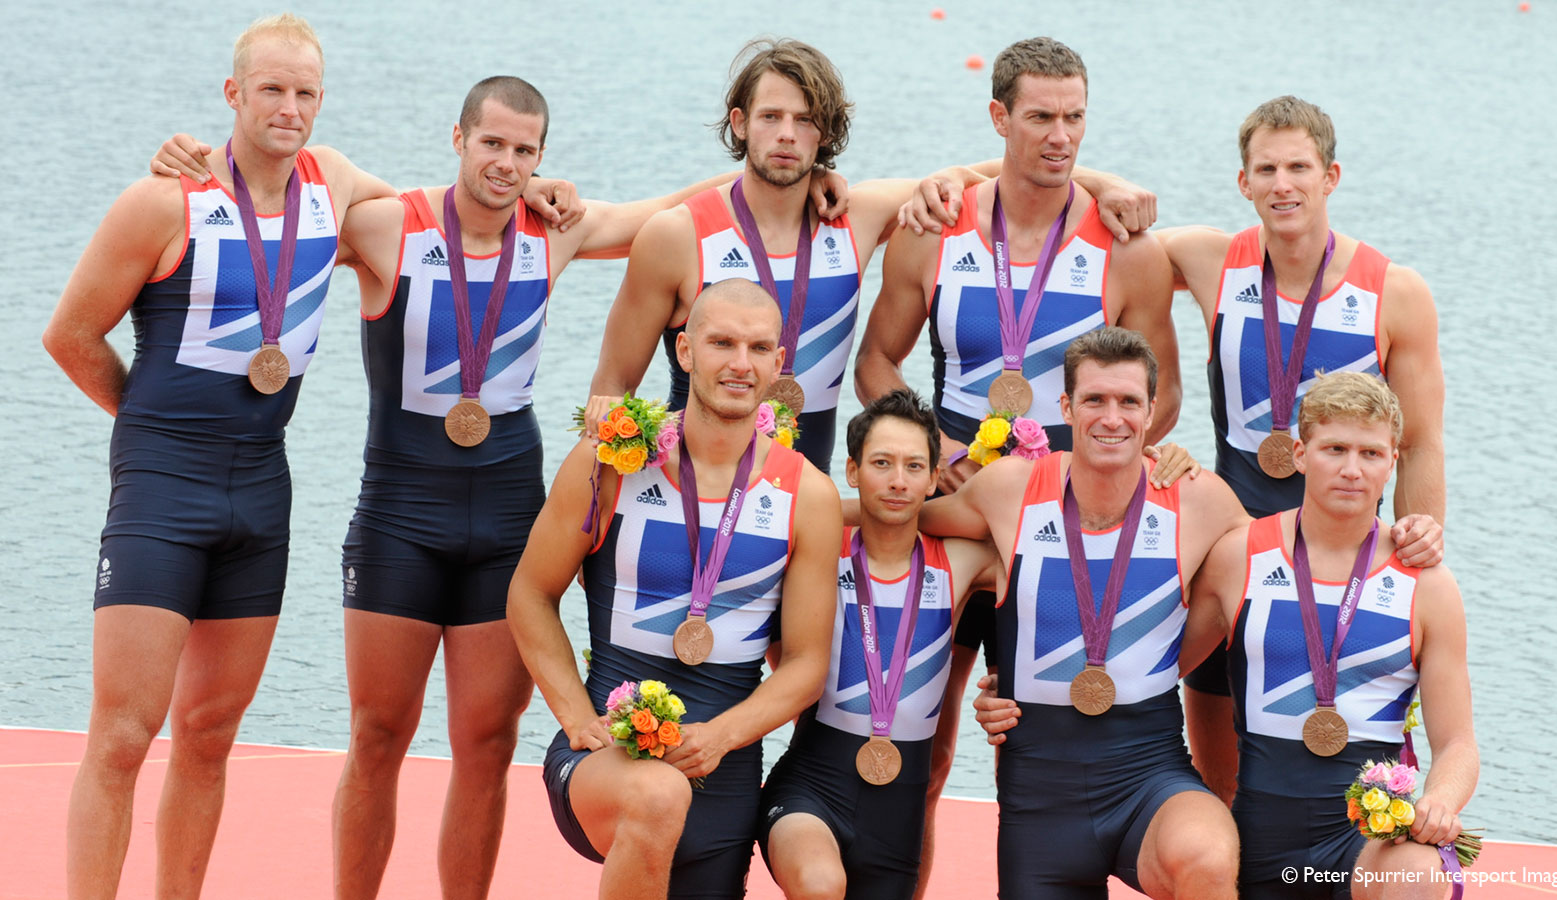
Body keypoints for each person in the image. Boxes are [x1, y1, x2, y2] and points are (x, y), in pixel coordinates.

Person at [146, 75, 782, 898]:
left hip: (507, 517)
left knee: (485, 744)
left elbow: (671, 210)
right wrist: (187, 163)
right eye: (492, 144)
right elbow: (275, 201)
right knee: (378, 736)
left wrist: (781, 181)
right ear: (458, 138)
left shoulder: (552, 234)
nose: (507, 164)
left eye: (525, 151)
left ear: (542, 158)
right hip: (398, 520)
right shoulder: (384, 228)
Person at [39, 15, 395, 900]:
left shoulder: (337, 186)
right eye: (271, 89)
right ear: (233, 94)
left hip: (260, 491)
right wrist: (151, 428)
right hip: (162, 490)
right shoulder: (165, 200)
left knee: (207, 734)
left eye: (306, 92)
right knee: (123, 735)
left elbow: (449, 220)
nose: (290, 108)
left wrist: (546, 193)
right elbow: (72, 335)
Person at [853, 39, 1179, 894]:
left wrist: (1097, 479)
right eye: (1040, 117)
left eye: (1075, 118)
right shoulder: (934, 229)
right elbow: (877, 364)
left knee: (1031, 755)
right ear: (998, 118)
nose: (1060, 136)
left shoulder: (1126, 248)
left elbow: (1165, 396)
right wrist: (939, 455)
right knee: (917, 745)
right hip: (957, 507)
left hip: (1064, 529)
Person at [585, 37, 1156, 473]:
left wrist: (1103, 183)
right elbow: (611, 387)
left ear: (825, 132)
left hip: (802, 487)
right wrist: (597, 504)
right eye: (771, 117)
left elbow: (1016, 169)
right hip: (688, 476)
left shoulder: (861, 215)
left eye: (805, 120)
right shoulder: (676, 236)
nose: (787, 135)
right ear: (740, 123)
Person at [507, 279, 843, 900]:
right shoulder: (608, 460)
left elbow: (805, 666)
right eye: (721, 343)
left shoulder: (808, 496)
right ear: (685, 352)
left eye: (758, 347)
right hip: (608, 758)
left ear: (778, 362)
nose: (739, 364)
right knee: (658, 793)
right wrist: (577, 717)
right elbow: (529, 594)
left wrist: (719, 737)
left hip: (723, 763)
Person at [1154, 96, 1446, 802]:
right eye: (1266, 169)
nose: (1282, 184)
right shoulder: (1207, 260)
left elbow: (1423, 442)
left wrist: (1421, 542)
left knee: (1350, 768)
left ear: (1330, 176)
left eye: (1298, 168)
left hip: (1347, 556)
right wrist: (1114, 190)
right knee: (1221, 775)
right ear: (1243, 182)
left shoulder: (1395, 293)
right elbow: (1093, 233)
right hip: (1232, 548)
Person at [920, 327, 1247, 900]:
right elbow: (902, 521)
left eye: (1128, 402)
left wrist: (1401, 537)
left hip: (1148, 774)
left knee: (1209, 858)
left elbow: (1293, 565)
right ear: (1066, 406)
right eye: (1095, 400)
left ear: (1152, 413)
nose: (1112, 418)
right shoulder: (1011, 488)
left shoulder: (1198, 497)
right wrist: (794, 496)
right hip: (1041, 798)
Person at [1179, 372, 1474, 899]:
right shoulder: (1237, 556)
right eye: (1334, 449)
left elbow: (1457, 743)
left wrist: (1440, 801)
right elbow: (1151, 672)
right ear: (1299, 453)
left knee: (1417, 875)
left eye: (1371, 454)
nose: (1352, 470)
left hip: (1363, 838)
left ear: (1392, 463)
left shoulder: (1427, 584)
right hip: (1256, 831)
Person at [757, 389, 1000, 900]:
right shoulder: (817, 549)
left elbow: (1064, 534)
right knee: (821, 885)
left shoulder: (960, 563)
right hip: (812, 787)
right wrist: (837, 511)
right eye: (881, 463)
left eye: (914, 467)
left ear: (936, 478)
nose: (897, 481)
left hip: (899, 817)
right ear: (851, 469)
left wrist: (1141, 467)